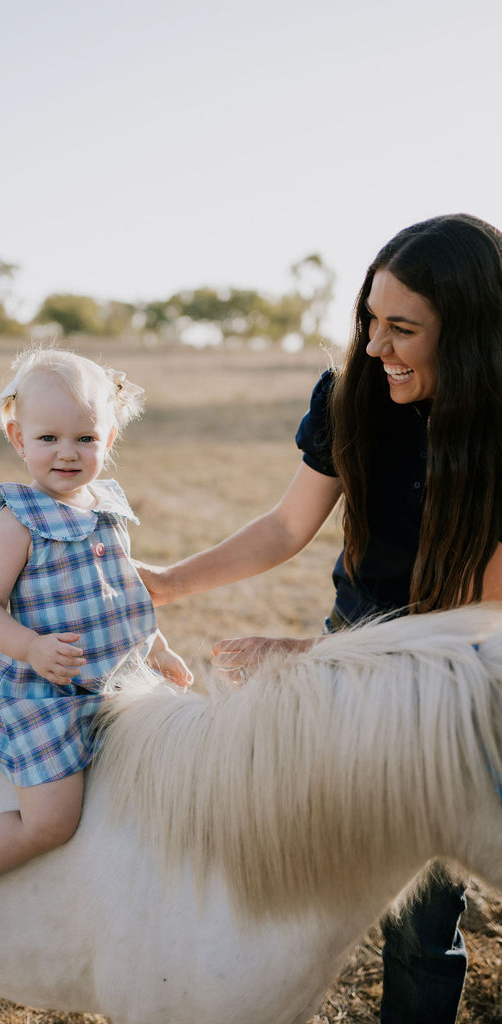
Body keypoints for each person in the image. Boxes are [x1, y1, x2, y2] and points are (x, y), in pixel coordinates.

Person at [138, 213, 502, 1024]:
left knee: (419, 922)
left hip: (453, 685)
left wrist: (309, 657)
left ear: (472, 334)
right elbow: (283, 527)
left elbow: (479, 617)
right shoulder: (350, 396)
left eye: (402, 329)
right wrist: (167, 581)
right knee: (293, 882)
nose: (375, 348)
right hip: (354, 655)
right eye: (369, 320)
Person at [0, 346, 192, 979]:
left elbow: (122, 593)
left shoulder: (109, 508)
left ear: (109, 438)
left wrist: (155, 646)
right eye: (48, 436)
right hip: (42, 697)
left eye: (85, 437)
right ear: (16, 438)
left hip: (113, 684)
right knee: (51, 822)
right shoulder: (17, 521)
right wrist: (29, 647)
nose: (67, 452)